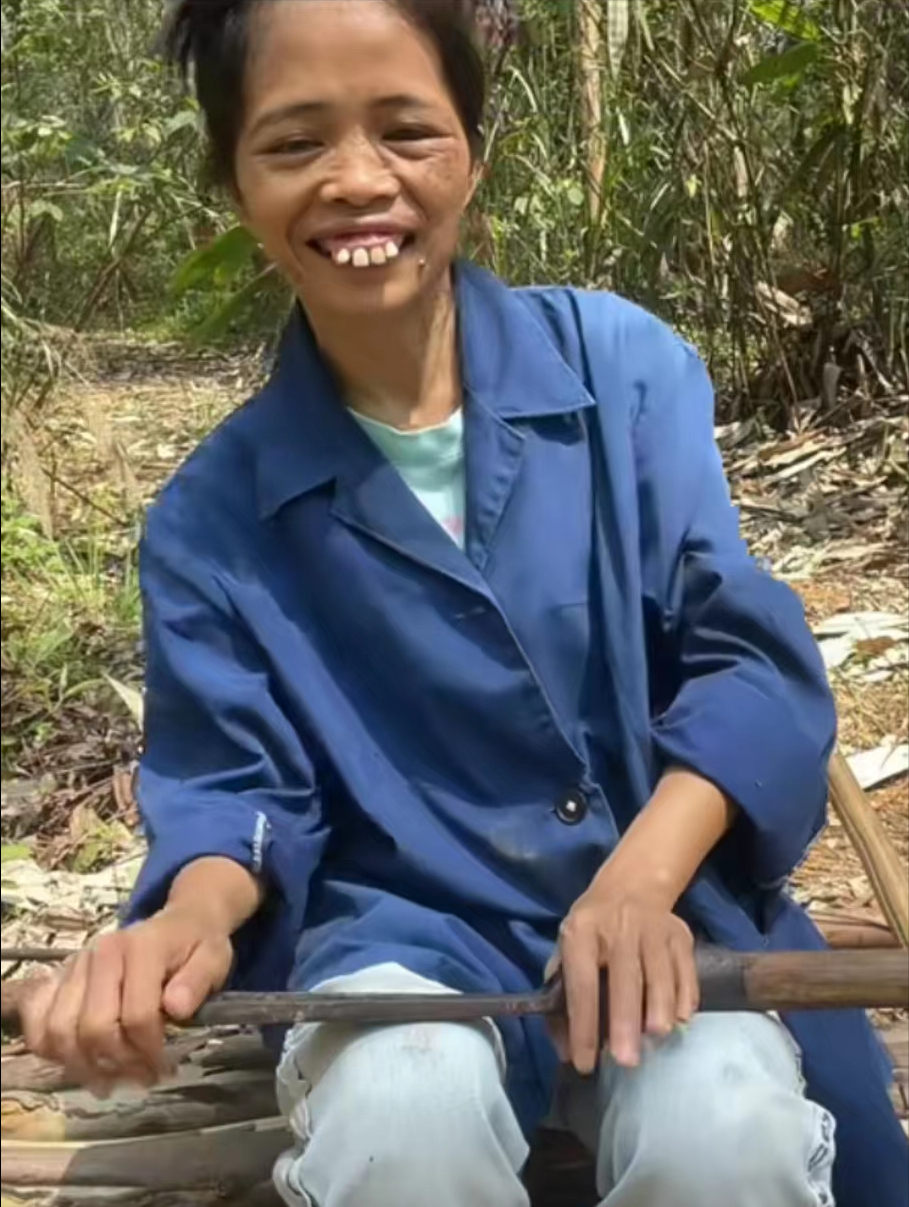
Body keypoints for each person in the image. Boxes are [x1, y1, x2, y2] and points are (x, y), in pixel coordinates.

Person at [19, 3, 907, 1205]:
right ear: (232, 184)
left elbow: (745, 659)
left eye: (405, 131)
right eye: (293, 144)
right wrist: (187, 921)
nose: (356, 181)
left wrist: (637, 886)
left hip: (668, 909)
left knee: (727, 1119)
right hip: (396, 946)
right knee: (404, 1115)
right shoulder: (210, 518)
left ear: (473, 154)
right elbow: (239, 794)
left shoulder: (622, 372)